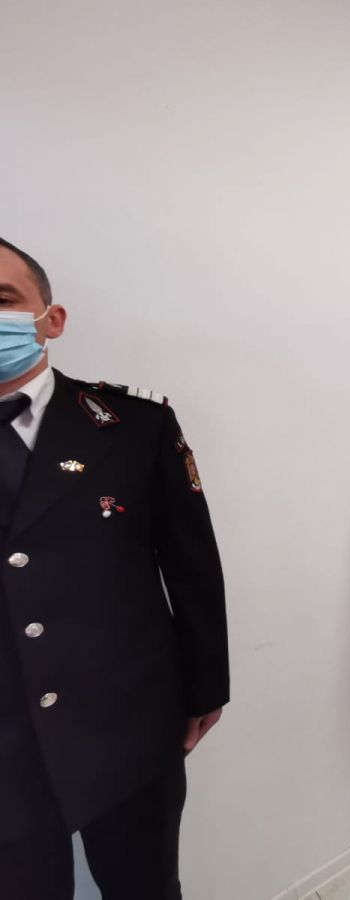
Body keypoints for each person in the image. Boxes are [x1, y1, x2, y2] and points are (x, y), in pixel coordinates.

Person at [0, 237, 229, 898]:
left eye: (3, 299)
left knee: (145, 886)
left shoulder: (134, 424)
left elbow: (191, 563)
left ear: (51, 320)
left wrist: (205, 687)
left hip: (128, 720)